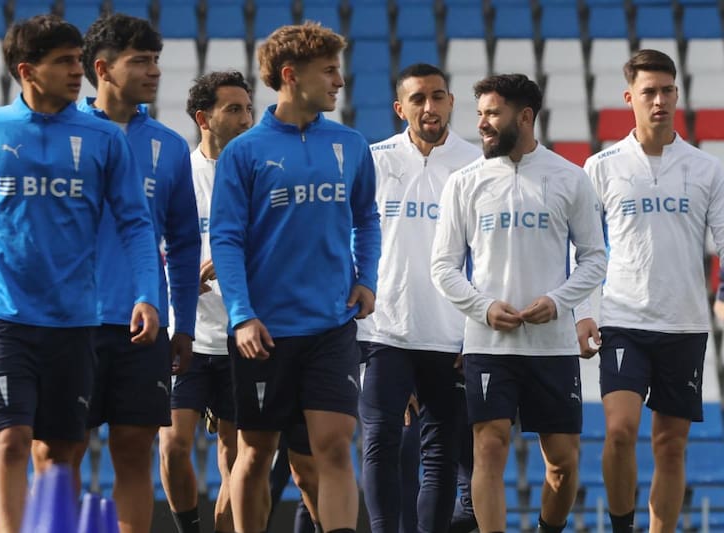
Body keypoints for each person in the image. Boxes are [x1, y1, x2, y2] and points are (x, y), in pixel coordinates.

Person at [0, 15, 160, 533]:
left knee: (60, 451)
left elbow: (136, 224)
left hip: (77, 323)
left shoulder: (102, 138)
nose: (80, 72)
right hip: (1, 319)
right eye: (66, 63)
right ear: (28, 71)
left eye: (80, 60)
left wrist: (148, 292)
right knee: (8, 442)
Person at [209, 22, 381, 533]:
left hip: (331, 327)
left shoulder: (350, 144)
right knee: (257, 452)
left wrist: (365, 277)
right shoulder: (245, 152)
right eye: (329, 71)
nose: (339, 81)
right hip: (264, 333)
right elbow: (227, 240)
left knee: (333, 447)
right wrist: (242, 316)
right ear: (291, 75)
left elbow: (367, 218)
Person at [36, 14, 199, 533]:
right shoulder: (62, 135)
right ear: (102, 68)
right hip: (69, 322)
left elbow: (183, 241)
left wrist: (185, 323)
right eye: (140, 61)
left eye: (156, 61)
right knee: (60, 449)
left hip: (143, 322)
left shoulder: (170, 146)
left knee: (134, 449)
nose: (154, 71)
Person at [430, 73, 607, 533]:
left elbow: (594, 259)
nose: (483, 124)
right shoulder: (464, 183)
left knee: (563, 463)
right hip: (489, 344)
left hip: (552, 345)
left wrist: (559, 301)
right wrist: (483, 308)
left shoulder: (569, 177)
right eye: (481, 113)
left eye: (493, 113)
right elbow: (443, 266)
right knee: (489, 448)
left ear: (525, 116)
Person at [576, 49, 724, 533]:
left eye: (666, 91)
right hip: (623, 320)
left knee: (670, 445)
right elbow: (579, 247)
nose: (658, 100)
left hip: (683, 322)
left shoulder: (707, 168)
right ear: (629, 98)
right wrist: (582, 310)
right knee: (618, 432)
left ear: (677, 94)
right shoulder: (601, 166)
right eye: (648, 92)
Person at [357, 62, 479, 533]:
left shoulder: (475, 164)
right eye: (418, 99)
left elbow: (484, 255)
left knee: (441, 450)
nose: (429, 107)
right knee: (380, 440)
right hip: (386, 329)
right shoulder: (373, 160)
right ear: (399, 108)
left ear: (450, 102)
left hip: (451, 334)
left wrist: (476, 330)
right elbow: (355, 239)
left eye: (438, 96)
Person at [158, 69, 252, 533]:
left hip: (242, 335)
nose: (247, 119)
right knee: (173, 444)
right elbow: (143, 244)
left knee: (238, 454)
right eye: (234, 109)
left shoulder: (258, 174)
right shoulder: (176, 176)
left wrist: (234, 264)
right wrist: (176, 277)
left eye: (249, 108)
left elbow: (283, 247)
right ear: (204, 118)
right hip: (186, 334)